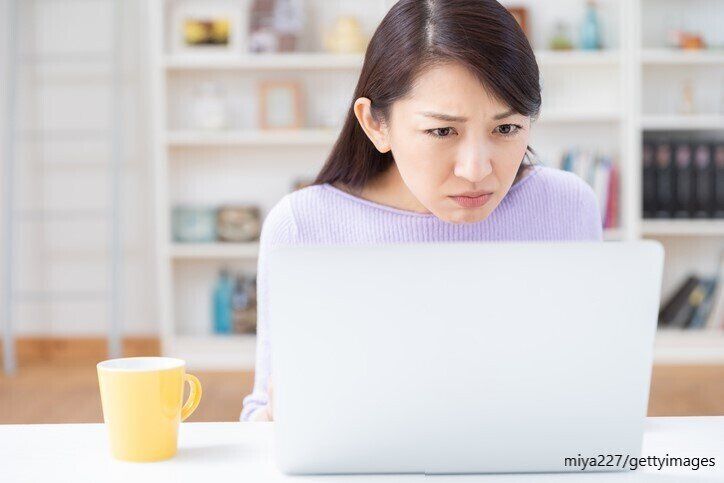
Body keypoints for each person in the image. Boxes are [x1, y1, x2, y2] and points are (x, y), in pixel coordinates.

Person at [241, 0, 603, 422]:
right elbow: (261, 416)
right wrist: (278, 414)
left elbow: (591, 392)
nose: (476, 170)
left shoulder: (566, 207)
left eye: (506, 128)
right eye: (442, 130)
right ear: (376, 124)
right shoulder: (303, 227)